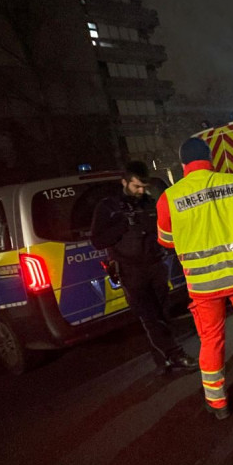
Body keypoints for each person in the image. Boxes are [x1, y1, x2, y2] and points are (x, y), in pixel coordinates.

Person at [156, 137, 233, 419]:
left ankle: (218, 403)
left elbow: (166, 240)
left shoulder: (170, 197)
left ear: (183, 165)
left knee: (211, 340)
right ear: (210, 159)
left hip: (203, 284)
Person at [90, 161, 199, 375]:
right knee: (150, 317)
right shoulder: (109, 207)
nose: (141, 191)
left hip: (155, 267)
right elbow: (98, 240)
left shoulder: (148, 202)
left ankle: (163, 361)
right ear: (125, 182)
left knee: (161, 315)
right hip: (131, 271)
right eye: (136, 186)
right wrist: (122, 226)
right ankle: (175, 354)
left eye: (143, 187)